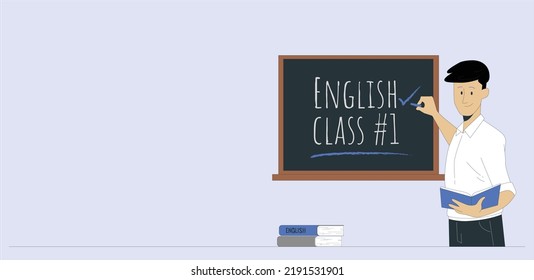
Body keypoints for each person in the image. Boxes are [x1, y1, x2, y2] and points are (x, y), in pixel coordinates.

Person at [417, 60, 516, 246]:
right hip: (456, 223)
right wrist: (435, 114)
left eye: (470, 91)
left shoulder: (491, 137)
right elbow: (456, 140)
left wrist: (478, 212)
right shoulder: (462, 134)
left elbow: (508, 191)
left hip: (483, 225)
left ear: (484, 93)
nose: (464, 99)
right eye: (459, 92)